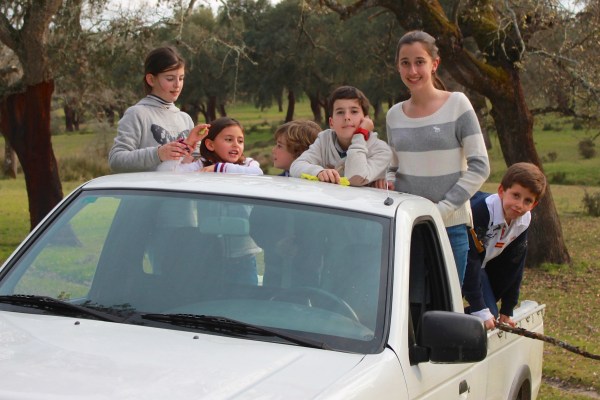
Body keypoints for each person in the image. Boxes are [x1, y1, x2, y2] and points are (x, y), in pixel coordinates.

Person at [386, 30, 490, 284]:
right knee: (407, 305)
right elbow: (393, 166)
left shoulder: (457, 104)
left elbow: (480, 166)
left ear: (434, 64)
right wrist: (387, 181)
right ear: (397, 67)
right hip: (408, 227)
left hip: (450, 227)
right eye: (405, 63)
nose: (412, 71)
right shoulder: (393, 115)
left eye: (419, 62)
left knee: (445, 305)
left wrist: (440, 210)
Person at [463, 162, 547, 329]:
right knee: (449, 306)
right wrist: (478, 306)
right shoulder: (481, 211)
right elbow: (469, 258)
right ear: (501, 191)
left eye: (527, 200)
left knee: (490, 314)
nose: (519, 205)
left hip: (480, 266)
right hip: (456, 261)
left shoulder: (524, 220)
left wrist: (508, 308)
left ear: (534, 204)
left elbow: (515, 263)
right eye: (516, 195)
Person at [108, 46, 210, 172]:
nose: (177, 85)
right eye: (170, 78)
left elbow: (193, 165)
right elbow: (116, 160)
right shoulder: (136, 114)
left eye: (181, 78)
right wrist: (158, 154)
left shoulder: (185, 118)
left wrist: (196, 150)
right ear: (151, 79)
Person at [290, 86, 392, 186]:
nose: (347, 117)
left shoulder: (381, 150)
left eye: (354, 111)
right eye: (340, 112)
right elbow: (296, 166)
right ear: (331, 122)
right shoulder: (324, 140)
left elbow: (355, 178)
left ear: (367, 119)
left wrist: (360, 135)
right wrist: (319, 172)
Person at [157, 116, 263, 175]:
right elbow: (165, 174)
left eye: (240, 141)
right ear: (210, 145)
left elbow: (257, 172)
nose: (236, 145)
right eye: (229, 139)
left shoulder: (247, 163)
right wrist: (187, 144)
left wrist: (218, 168)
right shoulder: (200, 166)